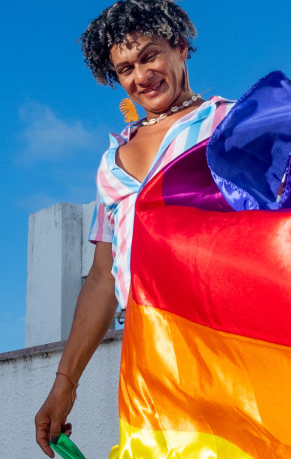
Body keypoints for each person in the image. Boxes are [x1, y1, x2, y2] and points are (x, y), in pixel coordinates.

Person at [34, 1, 231, 457]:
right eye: (125, 68)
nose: (141, 76)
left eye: (149, 56)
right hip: (149, 353)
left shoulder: (228, 122)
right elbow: (103, 278)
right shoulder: (111, 161)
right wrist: (64, 383)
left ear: (180, 49)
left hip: (227, 337)